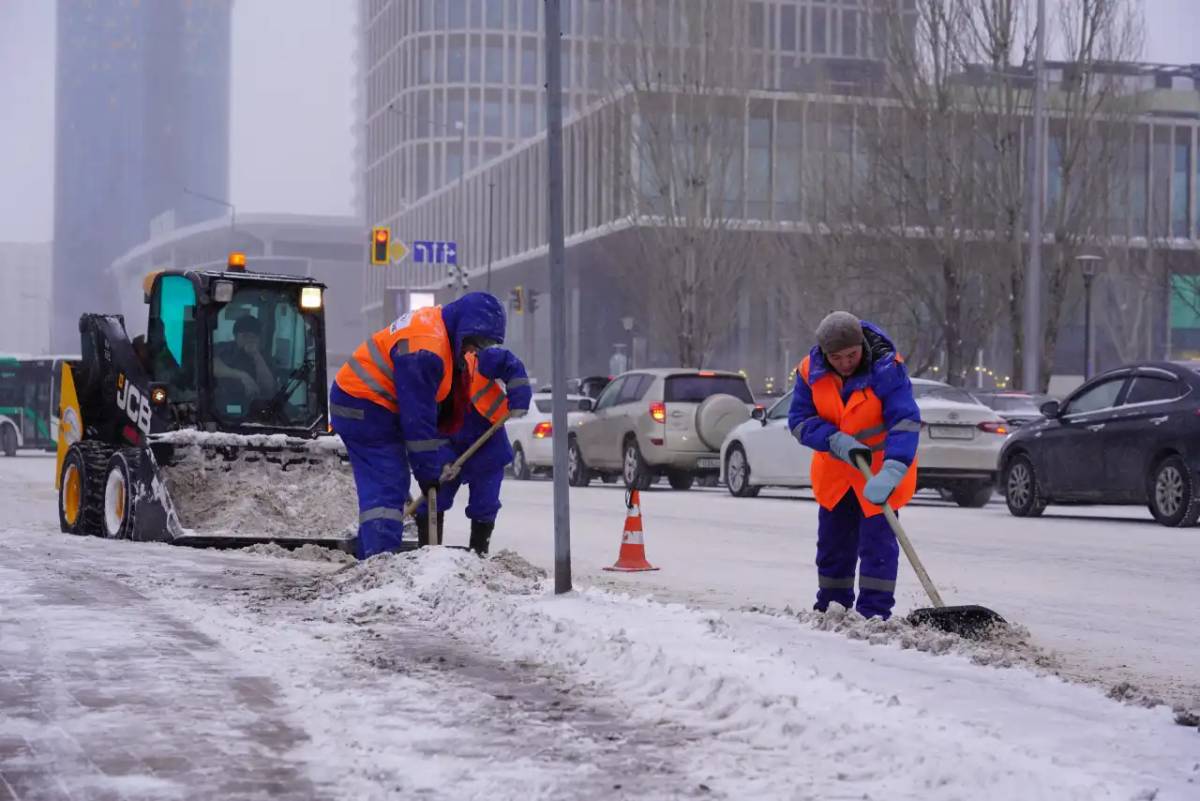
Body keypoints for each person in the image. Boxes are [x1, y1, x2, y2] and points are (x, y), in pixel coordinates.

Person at [329, 292, 507, 560]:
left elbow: (427, 415)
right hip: (364, 406)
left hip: (371, 405)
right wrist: (427, 472)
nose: (474, 351)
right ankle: (380, 562)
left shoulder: (439, 329)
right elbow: (417, 419)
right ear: (463, 328)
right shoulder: (426, 350)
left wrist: (430, 464)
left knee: (391, 482)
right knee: (387, 482)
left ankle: (371, 552)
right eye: (474, 342)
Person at [788, 311, 921, 620]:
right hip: (836, 474)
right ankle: (832, 609)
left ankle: (873, 615)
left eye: (851, 354)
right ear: (824, 353)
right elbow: (798, 421)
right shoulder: (809, 372)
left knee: (878, 549)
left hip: (879, 473)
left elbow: (905, 420)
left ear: (861, 344)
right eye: (837, 357)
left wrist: (894, 468)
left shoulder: (887, 368)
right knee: (833, 547)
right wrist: (833, 439)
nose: (845, 362)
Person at [413, 346, 532, 555]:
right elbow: (426, 428)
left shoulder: (477, 360)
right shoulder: (426, 384)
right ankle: (427, 556)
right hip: (448, 445)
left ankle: (478, 554)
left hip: (488, 442)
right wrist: (444, 460)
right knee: (433, 498)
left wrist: (519, 397)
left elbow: (510, 365)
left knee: (485, 503)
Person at [214, 316, 276, 399]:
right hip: (223, 400)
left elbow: (269, 387)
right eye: (245, 336)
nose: (249, 340)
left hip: (254, 403)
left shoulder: (264, 356)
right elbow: (211, 365)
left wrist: (256, 355)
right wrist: (242, 375)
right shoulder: (224, 348)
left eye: (254, 337)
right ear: (235, 337)